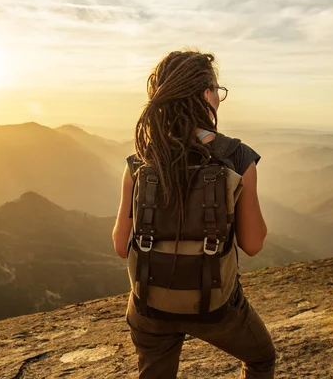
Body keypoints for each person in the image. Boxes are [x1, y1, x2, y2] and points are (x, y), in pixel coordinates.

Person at [112, 50, 276, 379]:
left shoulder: (140, 161)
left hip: (150, 307)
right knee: (261, 358)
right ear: (206, 95)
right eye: (218, 89)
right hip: (217, 308)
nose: (219, 96)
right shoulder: (237, 157)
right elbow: (253, 243)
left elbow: (120, 245)